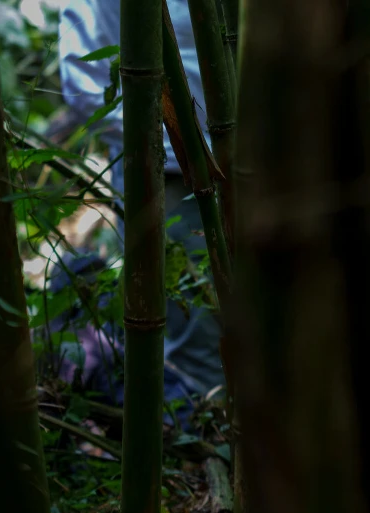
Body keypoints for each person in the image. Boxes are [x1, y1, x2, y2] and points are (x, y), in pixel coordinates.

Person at [49, 0, 226, 418]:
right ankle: (207, 441)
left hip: (252, 163)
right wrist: (161, 139)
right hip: (167, 172)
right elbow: (81, 77)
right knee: (193, 325)